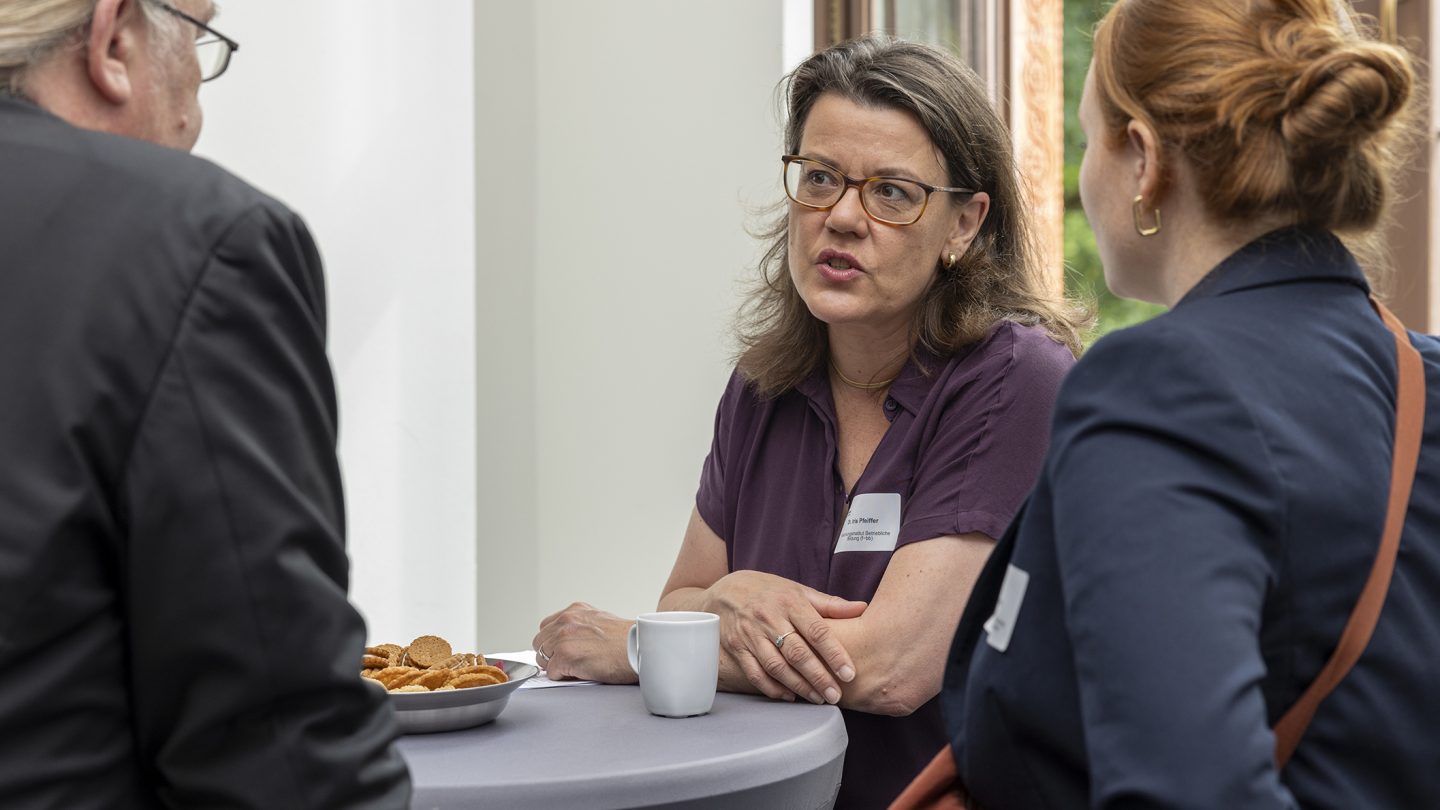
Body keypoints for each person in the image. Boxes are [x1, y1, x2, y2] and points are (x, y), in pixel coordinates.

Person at [535, 35, 1088, 808]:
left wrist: (635, 650)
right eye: (820, 178)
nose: (842, 218)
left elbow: (891, 667)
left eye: (892, 193)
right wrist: (733, 595)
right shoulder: (764, 388)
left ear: (965, 224)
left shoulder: (1015, 377)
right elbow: (686, 598)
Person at [923, 0, 1440, 807]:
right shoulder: (1423, 376)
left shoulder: (1160, 386)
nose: (1085, 175)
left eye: (1091, 137)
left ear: (1145, 160)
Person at [0, 1, 410, 806]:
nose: (196, 108)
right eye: (198, 37)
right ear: (113, 39)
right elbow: (276, 749)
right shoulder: (195, 241)